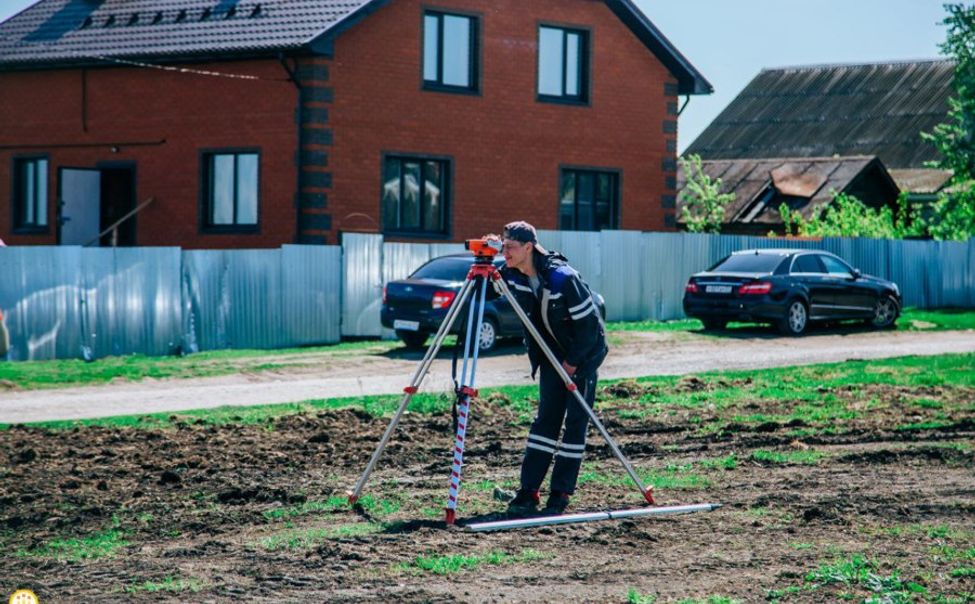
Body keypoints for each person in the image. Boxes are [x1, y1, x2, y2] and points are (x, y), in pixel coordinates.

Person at [496, 221, 608, 516]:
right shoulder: (513, 274)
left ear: (528, 247)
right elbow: (489, 289)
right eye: (502, 246)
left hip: (582, 356)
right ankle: (528, 491)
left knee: (575, 423)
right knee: (545, 421)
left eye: (510, 247)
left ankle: (560, 492)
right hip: (550, 357)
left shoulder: (563, 278)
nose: (504, 252)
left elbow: (590, 328)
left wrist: (572, 363)